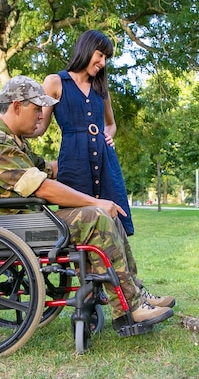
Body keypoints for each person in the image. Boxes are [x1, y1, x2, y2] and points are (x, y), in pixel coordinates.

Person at [0, 75, 175, 333]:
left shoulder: (13, 141)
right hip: (14, 229)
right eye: (36, 109)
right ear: (17, 106)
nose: (42, 116)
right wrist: (94, 201)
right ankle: (129, 308)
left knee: (106, 214)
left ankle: (135, 294)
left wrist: (89, 154)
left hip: (25, 223)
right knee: (96, 216)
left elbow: (52, 170)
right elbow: (42, 186)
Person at [35, 30, 135, 236]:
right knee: (79, 223)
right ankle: (84, 268)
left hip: (105, 160)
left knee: (113, 221)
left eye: (106, 58)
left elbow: (111, 124)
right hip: (74, 160)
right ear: (87, 49)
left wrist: (108, 136)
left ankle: (110, 267)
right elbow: (39, 127)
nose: (103, 62)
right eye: (100, 55)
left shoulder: (101, 89)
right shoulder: (55, 82)